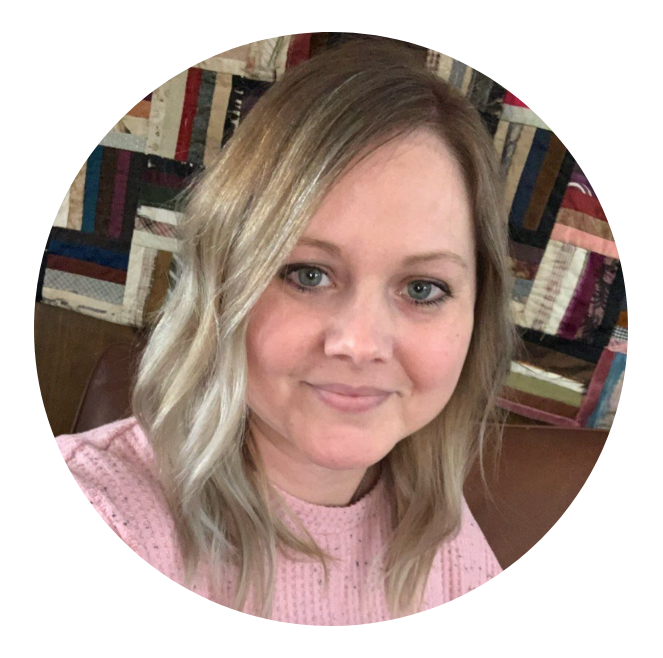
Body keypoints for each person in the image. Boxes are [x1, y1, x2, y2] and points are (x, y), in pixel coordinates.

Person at [55, 35, 521, 624]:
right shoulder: (109, 505)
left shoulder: (440, 532)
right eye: (308, 274)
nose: (359, 344)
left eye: (423, 289)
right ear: (224, 286)